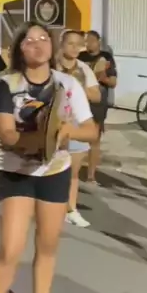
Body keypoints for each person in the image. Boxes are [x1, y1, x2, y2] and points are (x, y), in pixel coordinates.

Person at [0, 21, 97, 293]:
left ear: (52, 47)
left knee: (47, 246)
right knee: (10, 248)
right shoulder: (7, 84)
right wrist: (41, 138)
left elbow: (91, 130)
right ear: (19, 49)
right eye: (29, 40)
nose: (38, 44)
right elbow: (6, 134)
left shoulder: (67, 84)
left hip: (55, 173)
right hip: (17, 173)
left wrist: (67, 132)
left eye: (44, 38)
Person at [57, 30, 101, 226]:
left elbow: (97, 96)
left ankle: (71, 209)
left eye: (78, 44)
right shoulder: (50, 66)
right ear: (61, 44)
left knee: (73, 172)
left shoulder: (84, 69)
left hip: (76, 124)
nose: (75, 48)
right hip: (53, 123)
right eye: (70, 43)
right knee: (51, 169)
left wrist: (78, 87)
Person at [80, 30, 117, 183]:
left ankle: (91, 176)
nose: (88, 43)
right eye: (86, 41)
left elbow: (113, 83)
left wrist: (101, 77)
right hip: (79, 102)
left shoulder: (106, 58)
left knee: (94, 139)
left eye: (91, 40)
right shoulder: (80, 57)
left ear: (98, 41)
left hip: (97, 104)